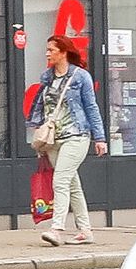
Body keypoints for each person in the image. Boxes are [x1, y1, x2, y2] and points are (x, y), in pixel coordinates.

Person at [30, 30, 104, 244]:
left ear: (63, 52)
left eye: (51, 50)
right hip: (53, 140)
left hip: (77, 135)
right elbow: (42, 108)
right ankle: (85, 231)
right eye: (47, 50)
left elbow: (91, 107)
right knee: (72, 185)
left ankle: (56, 228)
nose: (47, 54)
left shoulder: (80, 77)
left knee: (60, 180)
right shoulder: (48, 77)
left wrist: (99, 138)